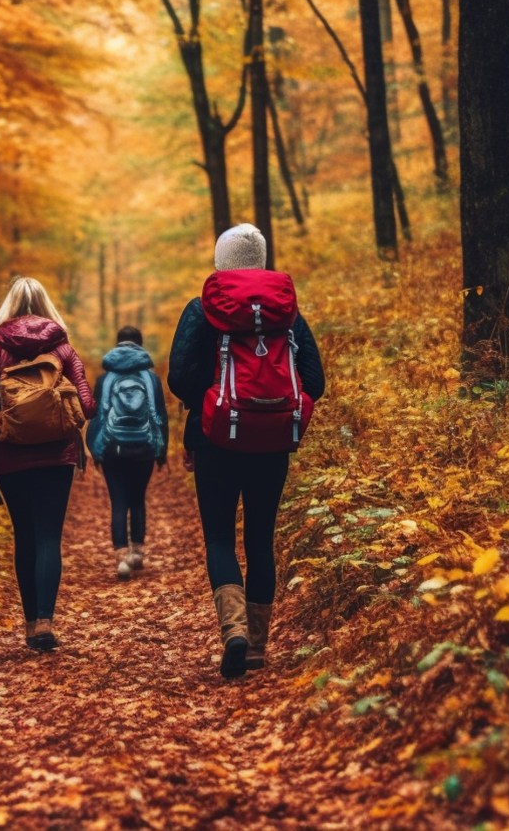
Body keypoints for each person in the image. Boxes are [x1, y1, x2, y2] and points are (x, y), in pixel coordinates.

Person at [168, 224, 325, 679]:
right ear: (261, 259)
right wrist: (278, 409)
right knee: (260, 537)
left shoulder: (202, 309)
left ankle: (233, 631)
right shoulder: (287, 313)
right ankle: (257, 645)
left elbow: (179, 377)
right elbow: (314, 380)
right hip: (272, 441)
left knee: (219, 536)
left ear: (221, 261)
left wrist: (213, 401)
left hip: (214, 439)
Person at [0, 277, 97, 651]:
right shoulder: (64, 351)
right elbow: (87, 408)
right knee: (48, 536)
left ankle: (28, 624)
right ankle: (45, 622)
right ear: (46, 305)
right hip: (57, 455)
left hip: (10, 457)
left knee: (24, 535)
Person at [86, 326, 169, 581]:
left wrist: (96, 451)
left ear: (117, 344)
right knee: (138, 499)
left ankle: (121, 558)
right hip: (144, 447)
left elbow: (97, 417)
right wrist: (161, 451)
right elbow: (159, 416)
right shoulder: (151, 379)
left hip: (112, 448)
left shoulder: (105, 379)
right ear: (140, 345)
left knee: (118, 501)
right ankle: (137, 552)